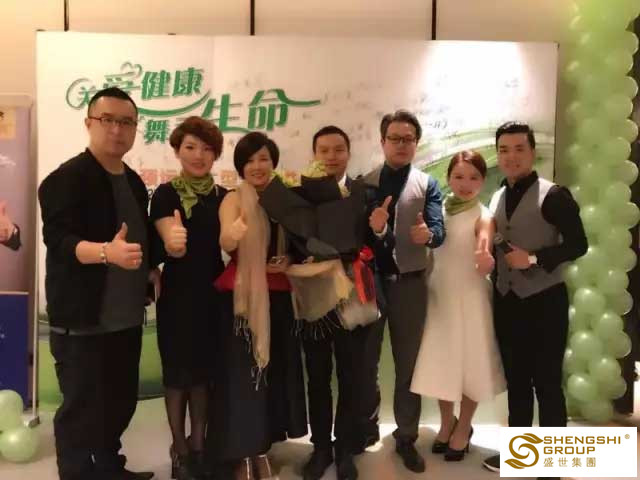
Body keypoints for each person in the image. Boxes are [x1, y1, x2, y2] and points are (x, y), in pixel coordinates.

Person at [38, 87, 157, 480]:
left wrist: (150, 270)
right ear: (89, 123)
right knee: (80, 410)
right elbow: (59, 241)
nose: (117, 130)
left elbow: (139, 238)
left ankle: (109, 467)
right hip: (82, 320)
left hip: (126, 318)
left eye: (126, 122)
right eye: (108, 120)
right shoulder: (65, 179)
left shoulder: (134, 182)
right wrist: (107, 252)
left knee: (119, 404)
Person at [481, 122, 587, 480]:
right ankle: (520, 455)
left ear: (532, 152)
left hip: (545, 301)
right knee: (517, 380)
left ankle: (551, 465)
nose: (511, 157)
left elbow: (579, 244)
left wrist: (534, 258)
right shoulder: (497, 195)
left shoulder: (553, 195)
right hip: (507, 301)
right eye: (504, 150)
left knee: (547, 383)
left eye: (519, 149)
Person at [207, 132, 307, 480]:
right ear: (240, 167)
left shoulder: (285, 199)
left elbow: (299, 244)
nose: (257, 166)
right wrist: (234, 233)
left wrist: (289, 259)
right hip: (242, 300)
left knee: (271, 377)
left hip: (278, 297)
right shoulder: (233, 199)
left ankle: (262, 448)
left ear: (273, 162)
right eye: (249, 161)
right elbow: (225, 239)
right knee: (243, 379)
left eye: (263, 158)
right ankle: (243, 453)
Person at [295, 126, 384, 480]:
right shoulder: (300, 196)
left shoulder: (366, 194)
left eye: (338, 149)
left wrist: (379, 230)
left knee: (351, 377)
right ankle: (320, 448)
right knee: (317, 377)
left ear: (349, 153)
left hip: (352, 296)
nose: (331, 156)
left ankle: (345, 449)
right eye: (324, 150)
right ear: (315, 154)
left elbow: (381, 244)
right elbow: (295, 239)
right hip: (316, 297)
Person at [410, 150, 506, 462]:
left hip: (471, 298)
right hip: (440, 296)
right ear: (449, 178)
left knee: (469, 365)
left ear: (483, 180)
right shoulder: (437, 211)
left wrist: (484, 255)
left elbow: (484, 240)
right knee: (443, 363)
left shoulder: (484, 215)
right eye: (459, 176)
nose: (466, 183)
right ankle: (446, 422)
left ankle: (464, 427)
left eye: (474, 177)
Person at [363, 109, 445, 473]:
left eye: (408, 139)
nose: (401, 144)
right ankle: (365, 430)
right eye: (394, 138)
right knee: (365, 362)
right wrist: (378, 230)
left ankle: (407, 437)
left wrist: (429, 235)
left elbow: (438, 230)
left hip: (410, 284)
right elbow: (357, 237)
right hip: (370, 283)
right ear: (382, 142)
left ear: (416, 143)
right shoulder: (365, 183)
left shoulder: (427, 184)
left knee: (408, 365)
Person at [150, 117, 226, 480]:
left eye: (207, 149)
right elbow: (165, 238)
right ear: (178, 150)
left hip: (213, 297)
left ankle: (199, 446)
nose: (199, 155)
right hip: (177, 298)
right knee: (177, 377)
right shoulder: (166, 194)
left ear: (216, 155)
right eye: (190, 147)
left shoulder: (224, 197)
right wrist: (171, 242)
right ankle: (179, 449)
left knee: (202, 377)